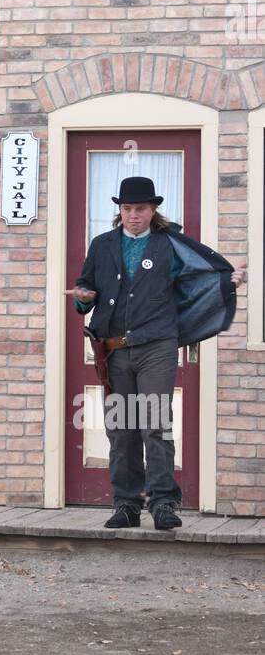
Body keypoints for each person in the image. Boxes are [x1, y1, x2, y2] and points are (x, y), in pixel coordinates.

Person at [67, 175, 246, 531]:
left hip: (157, 348)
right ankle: (126, 505)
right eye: (128, 208)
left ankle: (163, 503)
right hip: (114, 351)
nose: (134, 214)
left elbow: (199, 281)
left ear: (153, 210)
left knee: (154, 424)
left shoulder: (171, 246)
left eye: (141, 208)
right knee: (121, 427)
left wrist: (226, 282)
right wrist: (83, 297)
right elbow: (86, 286)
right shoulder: (101, 245)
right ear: (120, 210)